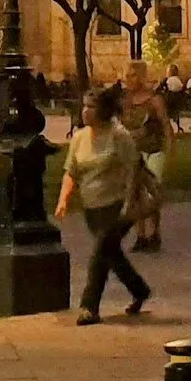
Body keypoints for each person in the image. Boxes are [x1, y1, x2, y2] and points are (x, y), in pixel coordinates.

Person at [56, 86, 152, 325]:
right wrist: (63, 199)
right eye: (84, 106)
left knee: (100, 254)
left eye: (92, 107)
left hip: (118, 206)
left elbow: (134, 171)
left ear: (105, 110)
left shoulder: (119, 136)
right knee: (112, 255)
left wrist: (130, 203)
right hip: (92, 208)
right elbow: (72, 171)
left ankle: (89, 307)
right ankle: (139, 290)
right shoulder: (79, 138)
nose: (86, 112)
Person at [126, 63, 171, 252]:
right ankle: (140, 235)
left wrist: (169, 150)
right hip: (134, 152)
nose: (129, 80)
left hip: (153, 150)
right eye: (127, 76)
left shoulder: (154, 100)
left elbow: (165, 125)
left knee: (152, 193)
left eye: (133, 76)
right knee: (135, 193)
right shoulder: (126, 101)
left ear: (142, 77)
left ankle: (155, 233)